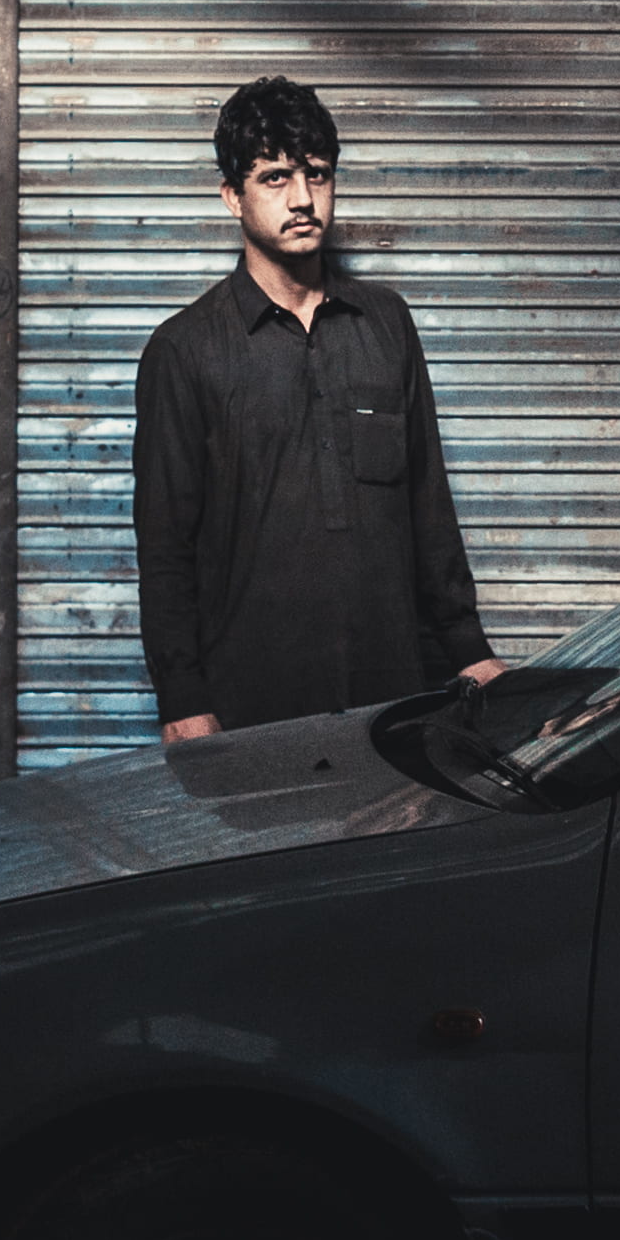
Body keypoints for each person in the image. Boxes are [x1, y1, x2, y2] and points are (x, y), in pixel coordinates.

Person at [131, 74, 508, 744]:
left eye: (319, 175)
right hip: (249, 707)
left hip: (392, 697)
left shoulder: (386, 323)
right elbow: (165, 549)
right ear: (231, 197)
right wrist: (181, 696)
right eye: (275, 178)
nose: (303, 199)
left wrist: (469, 650)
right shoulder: (184, 351)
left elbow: (428, 506)